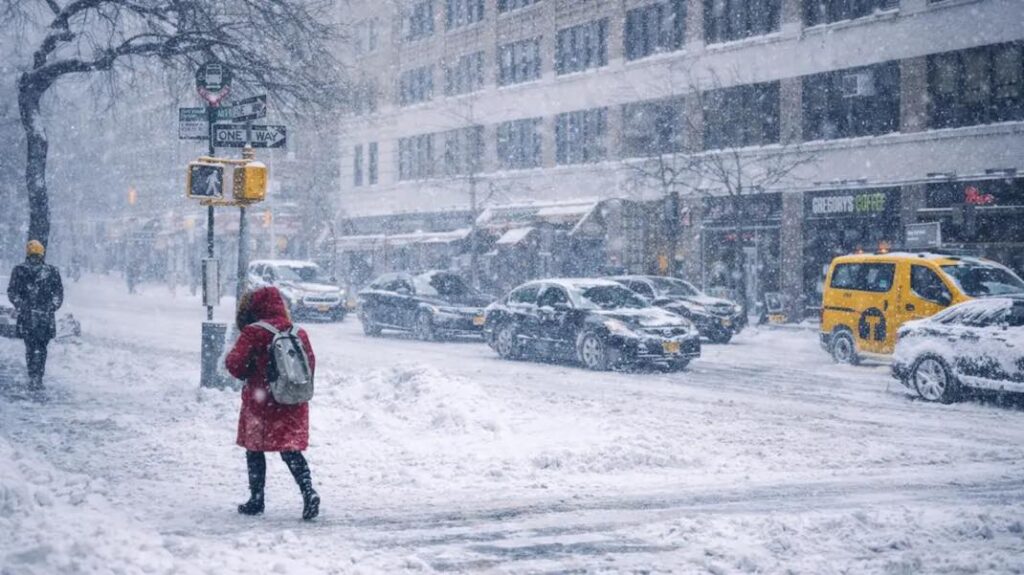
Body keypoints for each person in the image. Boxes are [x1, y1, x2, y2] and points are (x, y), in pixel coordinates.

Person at [225, 286, 320, 520]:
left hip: (261, 402)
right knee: (291, 450)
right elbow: (310, 364)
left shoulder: (253, 331)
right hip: (291, 400)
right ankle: (308, 492)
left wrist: (253, 373)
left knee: (255, 449)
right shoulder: (298, 332)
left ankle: (256, 499)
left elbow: (235, 365)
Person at [6, 240, 64, 391]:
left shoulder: (51, 271)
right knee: (31, 347)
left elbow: (58, 293)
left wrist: (51, 306)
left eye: (37, 256)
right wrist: (21, 305)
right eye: (33, 256)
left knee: (41, 347)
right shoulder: (20, 270)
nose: (35, 259)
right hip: (28, 316)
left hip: (43, 316)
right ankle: (34, 375)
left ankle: (38, 376)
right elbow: (12, 292)